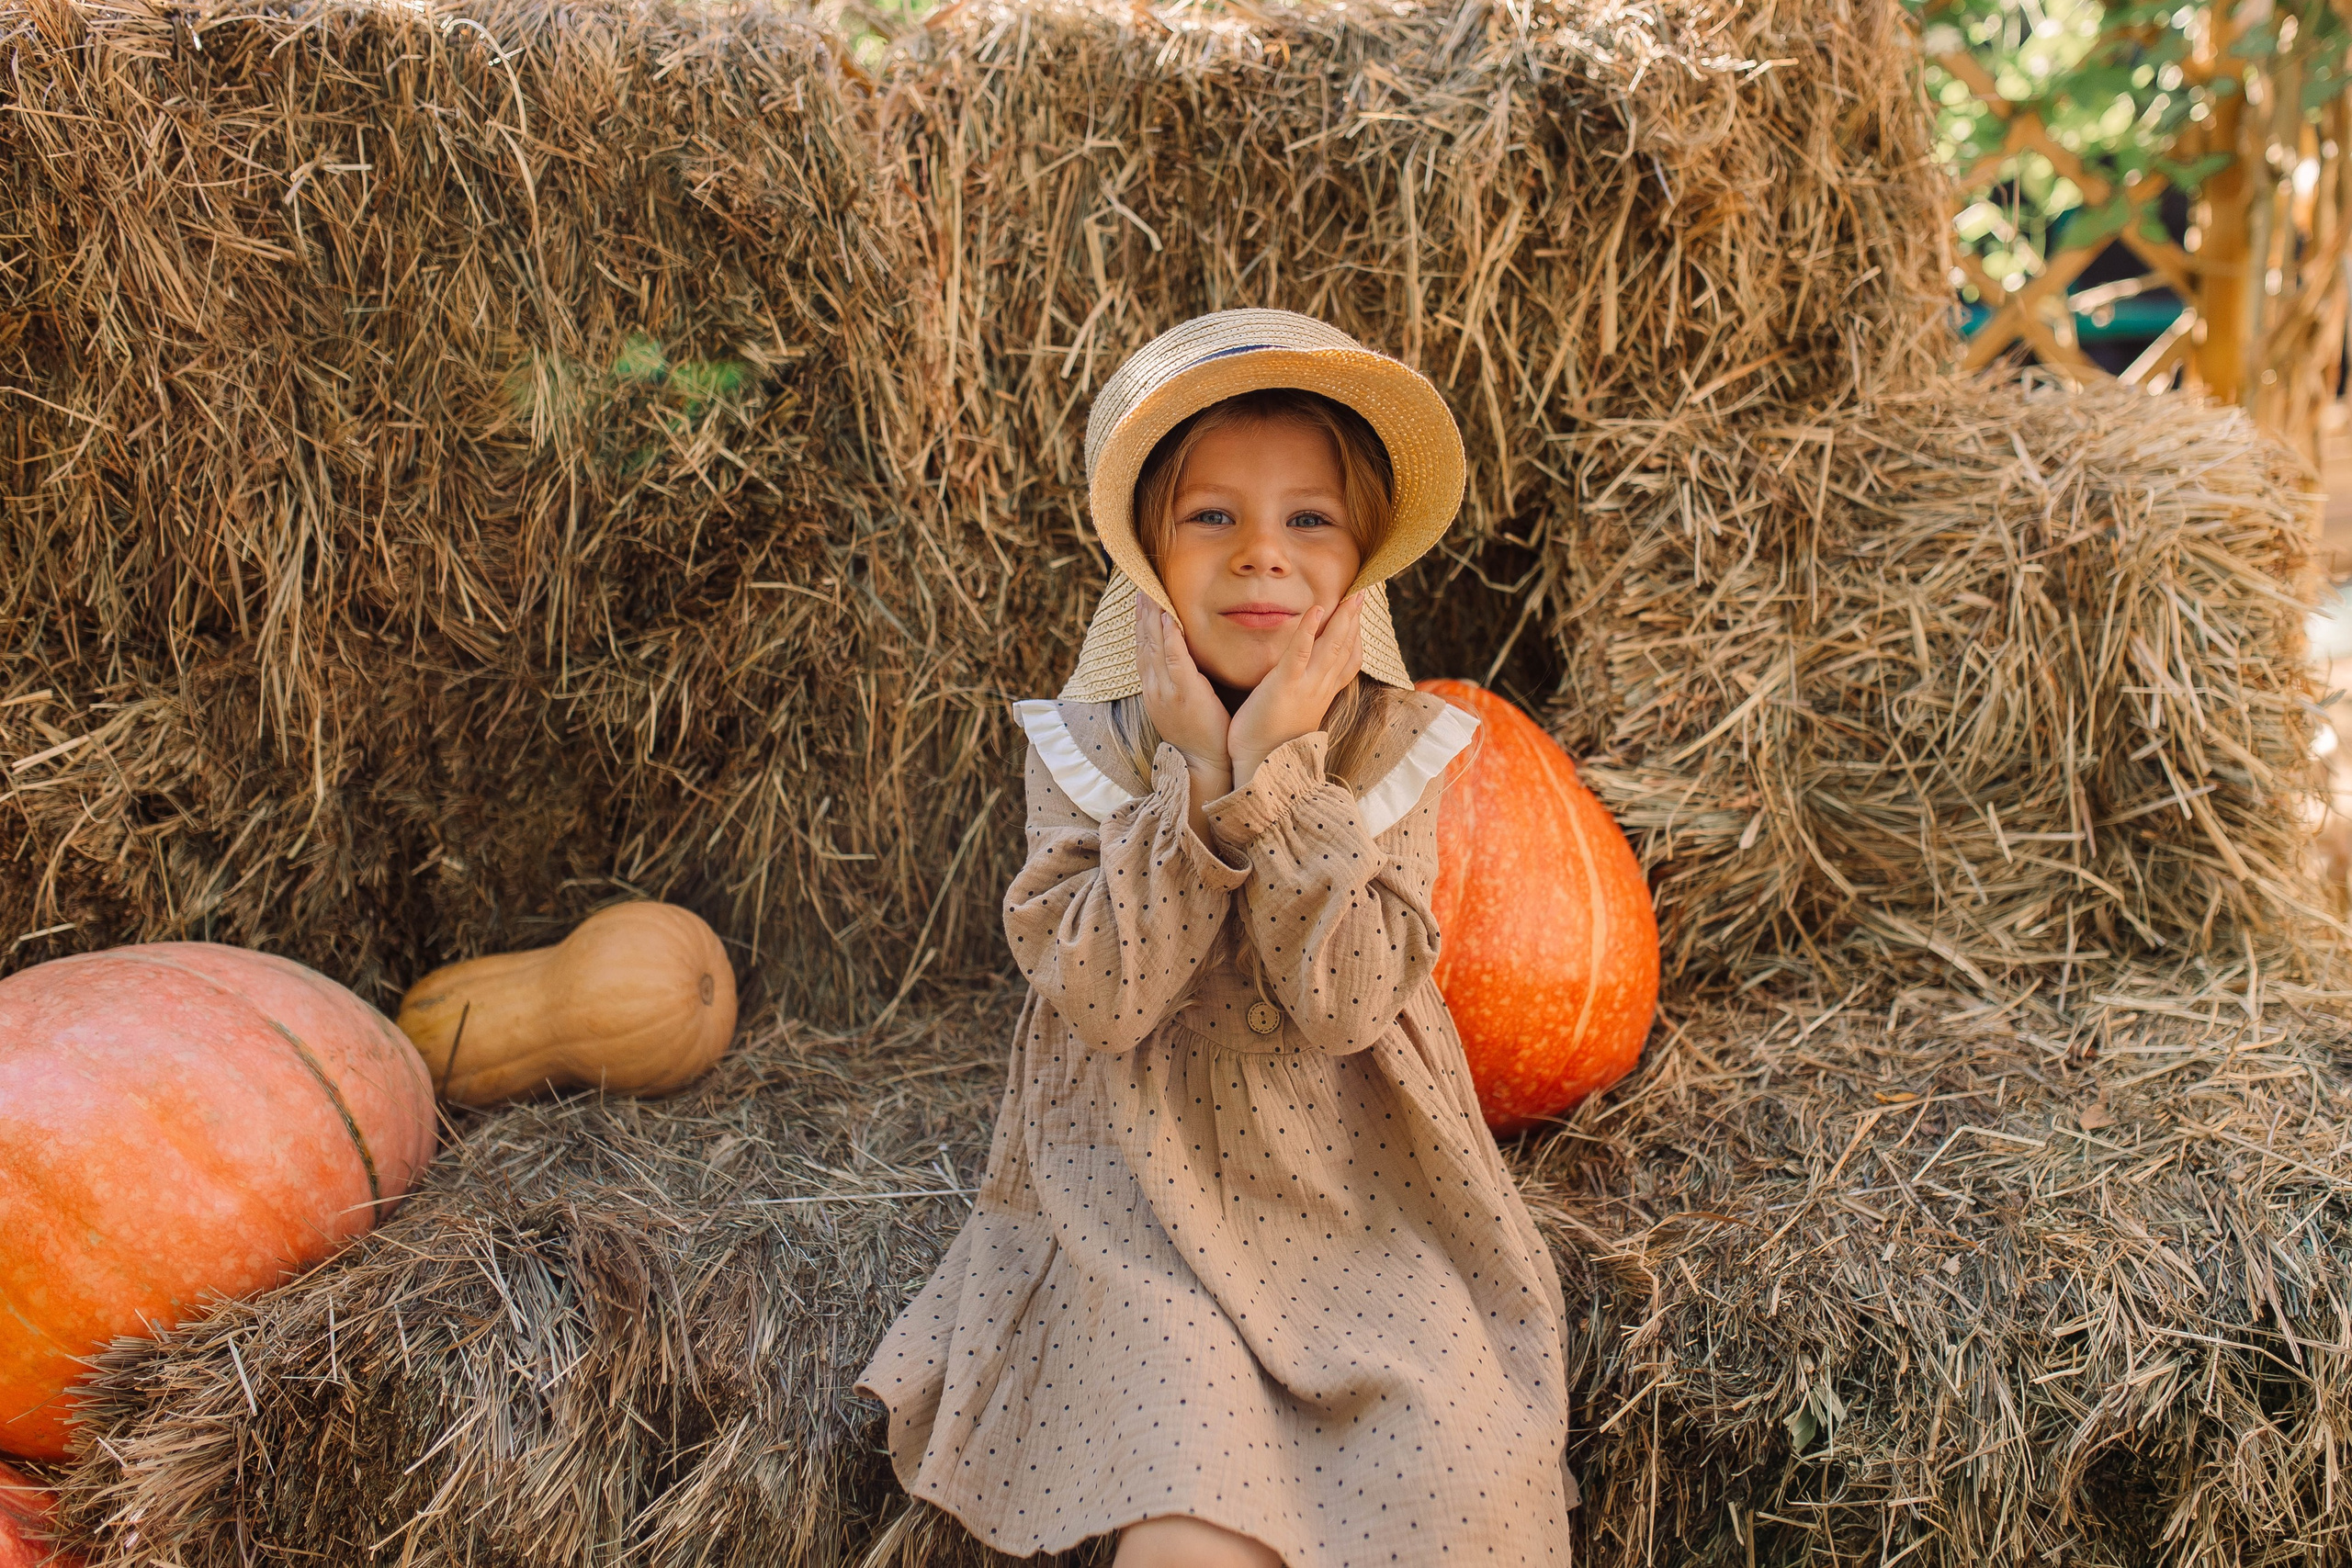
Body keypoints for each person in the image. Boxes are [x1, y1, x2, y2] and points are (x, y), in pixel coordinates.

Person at [854, 309, 1575, 1566]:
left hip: (1357, 1197)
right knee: (1189, 1508)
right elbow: (1106, 993)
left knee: (1445, 1466)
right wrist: (1192, 779)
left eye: (1309, 520)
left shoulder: (1396, 755)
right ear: (1144, 555)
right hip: (1143, 1202)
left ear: (1359, 565)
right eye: (1212, 518)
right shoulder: (1092, 756)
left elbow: (1347, 1003)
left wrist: (1277, 782)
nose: (1262, 557)